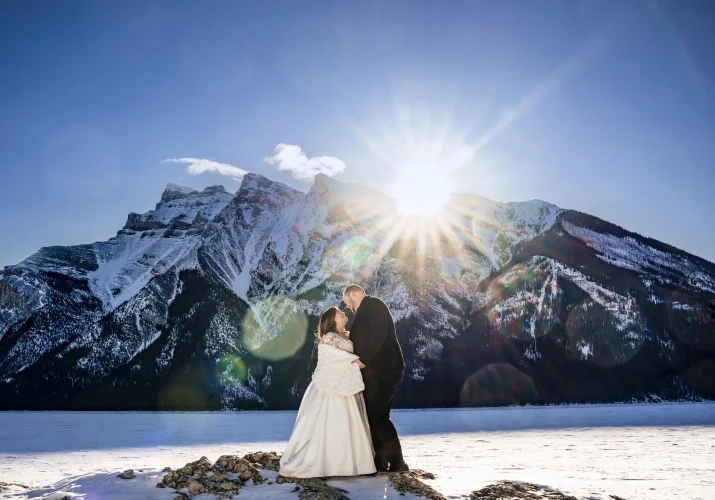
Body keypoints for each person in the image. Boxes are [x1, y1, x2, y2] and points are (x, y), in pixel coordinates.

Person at [279, 307, 376, 478]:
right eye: (339, 312)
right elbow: (328, 356)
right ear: (332, 319)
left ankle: (352, 463)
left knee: (348, 421)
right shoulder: (329, 337)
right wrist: (355, 361)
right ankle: (334, 463)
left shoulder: (344, 335)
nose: (343, 313)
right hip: (332, 386)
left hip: (346, 383)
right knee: (333, 421)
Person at [342, 284, 409, 472]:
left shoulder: (373, 304)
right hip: (378, 373)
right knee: (374, 417)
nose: (348, 307)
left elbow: (380, 334)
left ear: (353, 294)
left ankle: (398, 464)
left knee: (378, 417)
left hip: (386, 371)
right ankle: (380, 462)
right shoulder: (365, 310)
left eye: (348, 302)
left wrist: (363, 360)